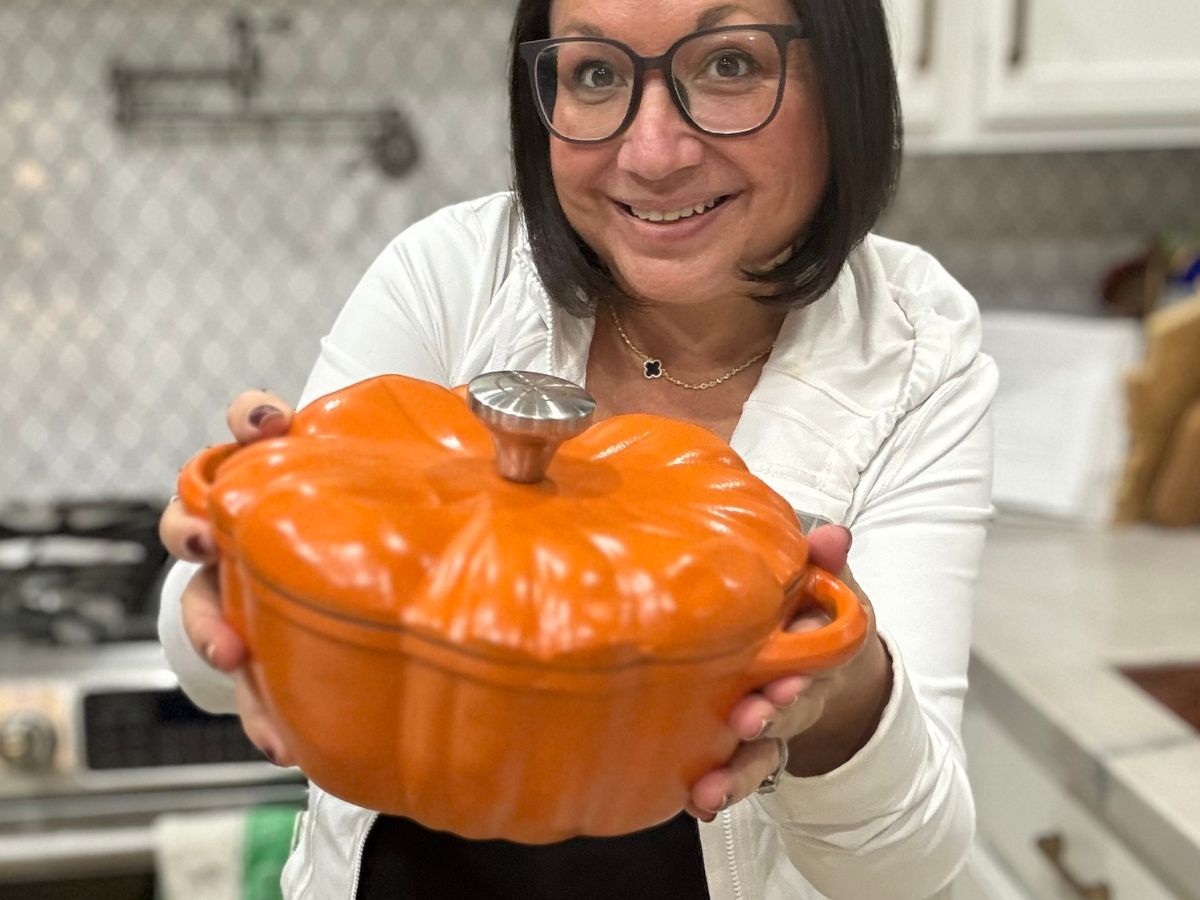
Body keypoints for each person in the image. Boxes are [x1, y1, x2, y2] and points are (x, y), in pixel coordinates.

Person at [158, 0, 996, 896]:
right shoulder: (454, 275)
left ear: (843, 80)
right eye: (595, 74)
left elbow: (915, 871)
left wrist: (845, 697)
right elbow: (201, 643)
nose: (653, 153)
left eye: (729, 66)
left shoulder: (915, 351)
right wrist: (225, 569)